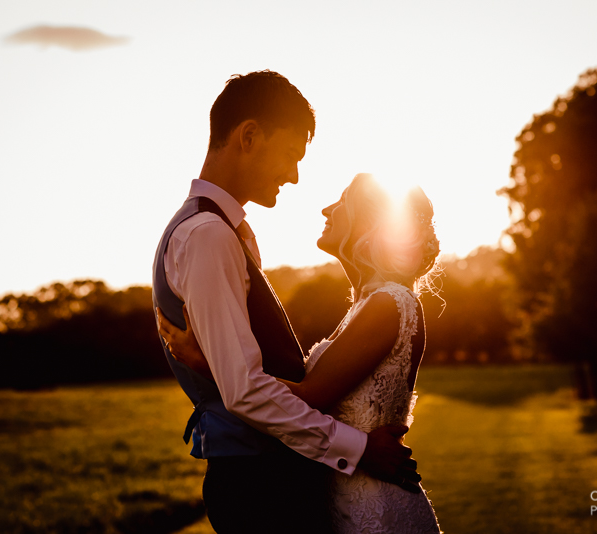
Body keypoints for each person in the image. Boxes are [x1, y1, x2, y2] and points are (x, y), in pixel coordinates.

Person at [151, 71, 421, 534]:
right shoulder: (208, 236)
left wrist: (210, 365)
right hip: (260, 484)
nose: (294, 177)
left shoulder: (222, 232)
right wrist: (358, 448)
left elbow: (239, 375)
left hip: (271, 476)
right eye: (291, 155)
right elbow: (246, 389)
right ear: (249, 136)